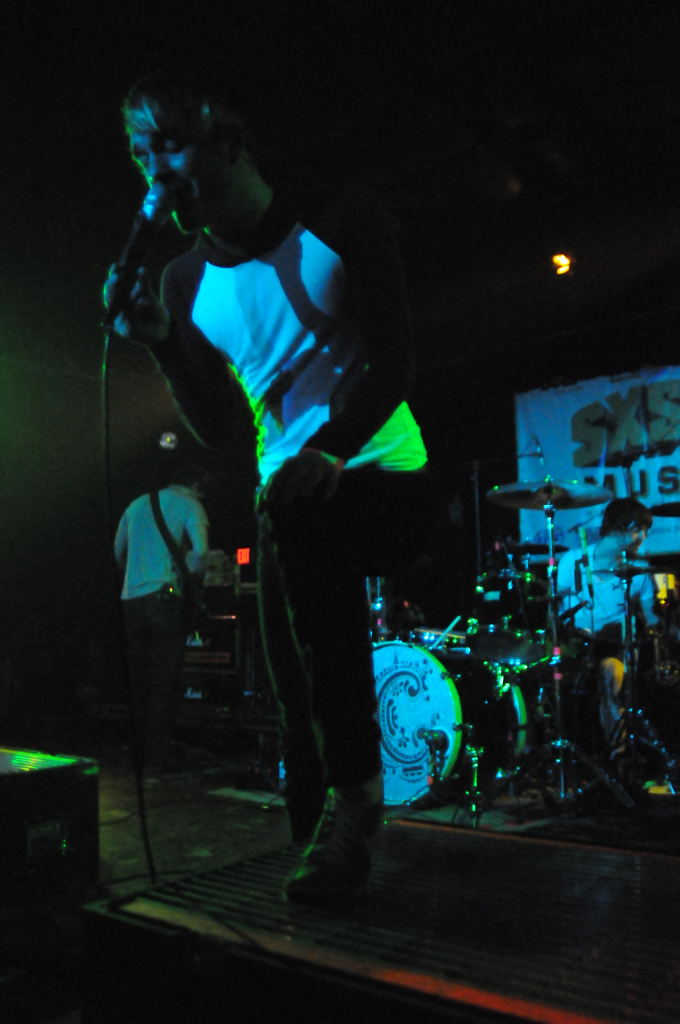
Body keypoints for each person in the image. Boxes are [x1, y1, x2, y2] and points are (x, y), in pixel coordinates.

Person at [104, 69, 440, 905]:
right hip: (291, 502)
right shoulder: (184, 282)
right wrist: (161, 343)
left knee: (303, 530)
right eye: (142, 155)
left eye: (169, 146)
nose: (155, 172)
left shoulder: (341, 218)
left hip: (384, 471)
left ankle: (358, 801)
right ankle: (321, 865)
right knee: (297, 698)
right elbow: (221, 425)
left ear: (227, 139)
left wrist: (327, 452)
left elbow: (396, 364)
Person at [114, 466, 209, 774]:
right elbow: (201, 552)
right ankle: (157, 758)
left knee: (138, 679)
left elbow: (117, 552)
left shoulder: (136, 504)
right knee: (164, 680)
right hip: (165, 597)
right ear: (196, 484)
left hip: (131, 599)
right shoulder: (191, 504)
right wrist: (192, 577)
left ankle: (136, 754)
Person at [556, 497, 655, 762]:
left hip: (616, 647)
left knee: (610, 672)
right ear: (627, 527)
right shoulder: (573, 561)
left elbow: (652, 619)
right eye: (642, 530)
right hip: (576, 646)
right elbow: (553, 608)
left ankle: (618, 756)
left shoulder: (638, 571)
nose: (644, 537)